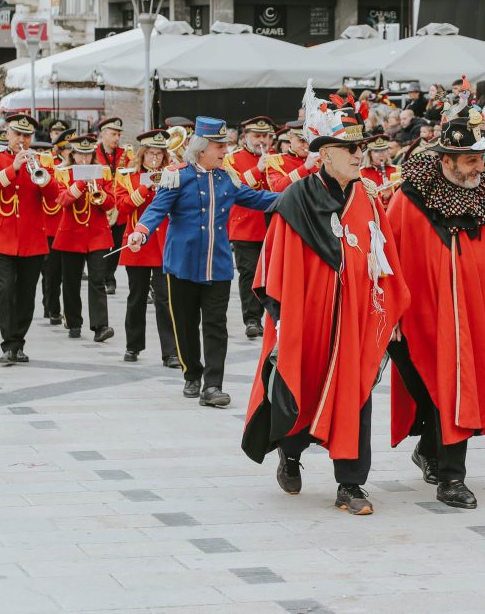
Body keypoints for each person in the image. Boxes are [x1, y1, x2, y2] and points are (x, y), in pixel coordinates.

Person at [241, 100, 410, 516]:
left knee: (354, 395)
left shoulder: (367, 198)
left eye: (362, 149)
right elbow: (274, 265)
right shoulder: (296, 197)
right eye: (350, 149)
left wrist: (389, 316)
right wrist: (283, 320)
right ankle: (291, 454)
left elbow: (383, 257)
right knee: (304, 384)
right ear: (326, 153)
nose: (359, 156)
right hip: (307, 316)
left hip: (355, 319)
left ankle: (350, 484)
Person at [386, 113, 485, 509]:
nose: (480, 168)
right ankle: (430, 448)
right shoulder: (408, 198)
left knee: (458, 386)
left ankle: (452, 477)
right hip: (418, 318)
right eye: (471, 161)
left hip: (469, 316)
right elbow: (389, 258)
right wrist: (394, 314)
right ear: (447, 159)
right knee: (432, 389)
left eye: (481, 159)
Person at [126, 117, 278, 406]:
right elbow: (156, 210)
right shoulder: (176, 176)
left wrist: (299, 195)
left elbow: (259, 199)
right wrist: (140, 232)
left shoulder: (227, 178)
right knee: (184, 325)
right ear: (201, 148)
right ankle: (192, 374)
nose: (224, 151)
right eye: (219, 146)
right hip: (181, 265)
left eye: (225, 146)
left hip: (218, 267)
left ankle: (212, 385)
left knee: (215, 326)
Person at [0, 114, 58, 365]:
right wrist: (13, 168)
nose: (22, 140)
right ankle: (9, 344)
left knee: (26, 293)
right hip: (1, 236)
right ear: (8, 134)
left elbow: (54, 195)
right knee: (6, 290)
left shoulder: (43, 160)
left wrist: (39, 172)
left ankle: (19, 341)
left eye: (27, 136)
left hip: (32, 237)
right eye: (17, 135)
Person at [115, 129, 179, 367]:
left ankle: (170, 351)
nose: (155, 159)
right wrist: (144, 189)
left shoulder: (172, 175)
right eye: (150, 154)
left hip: (164, 244)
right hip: (138, 244)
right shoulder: (127, 176)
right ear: (142, 155)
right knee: (136, 297)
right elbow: (121, 207)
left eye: (159, 155)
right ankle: (133, 345)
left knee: (165, 299)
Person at [52, 134, 115, 343]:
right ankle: (73, 321)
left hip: (97, 234)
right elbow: (62, 200)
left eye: (88, 155)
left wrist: (100, 195)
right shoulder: (62, 172)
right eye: (80, 155)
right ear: (73, 154)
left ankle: (100, 326)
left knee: (97, 280)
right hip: (71, 234)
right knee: (71, 281)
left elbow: (111, 202)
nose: (85, 160)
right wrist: (80, 184)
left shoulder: (103, 172)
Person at [223, 116, 276, 339]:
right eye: (256, 136)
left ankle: (274, 316)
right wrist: (257, 169)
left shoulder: (277, 159)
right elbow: (232, 188)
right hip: (245, 225)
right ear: (246, 136)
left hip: (272, 224)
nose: (261, 140)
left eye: (265, 136)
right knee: (250, 273)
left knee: (273, 273)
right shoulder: (231, 159)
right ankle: (252, 319)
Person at [40, 130, 74, 326]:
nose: (71, 152)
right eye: (68, 149)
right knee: (52, 272)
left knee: (67, 273)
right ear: (60, 149)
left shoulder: (77, 168)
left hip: (70, 224)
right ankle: (53, 308)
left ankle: (69, 314)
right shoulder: (51, 165)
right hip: (53, 225)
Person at [93, 117, 128, 296]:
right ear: (103, 134)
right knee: (101, 245)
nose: (117, 138)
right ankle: (102, 277)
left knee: (116, 245)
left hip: (119, 207)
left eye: (119, 135)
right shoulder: (93, 153)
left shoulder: (125, 154)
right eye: (113, 134)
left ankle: (110, 276)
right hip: (100, 206)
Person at [265, 123, 316, 193]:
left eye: (310, 141)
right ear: (290, 138)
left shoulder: (319, 160)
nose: (307, 146)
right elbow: (277, 189)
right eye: (302, 141)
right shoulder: (275, 160)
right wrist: (304, 168)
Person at [359, 136, 400, 207]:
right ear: (370, 153)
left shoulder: (397, 170)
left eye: (384, 150)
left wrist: (388, 195)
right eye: (376, 151)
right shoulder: (360, 173)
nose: (381, 154)